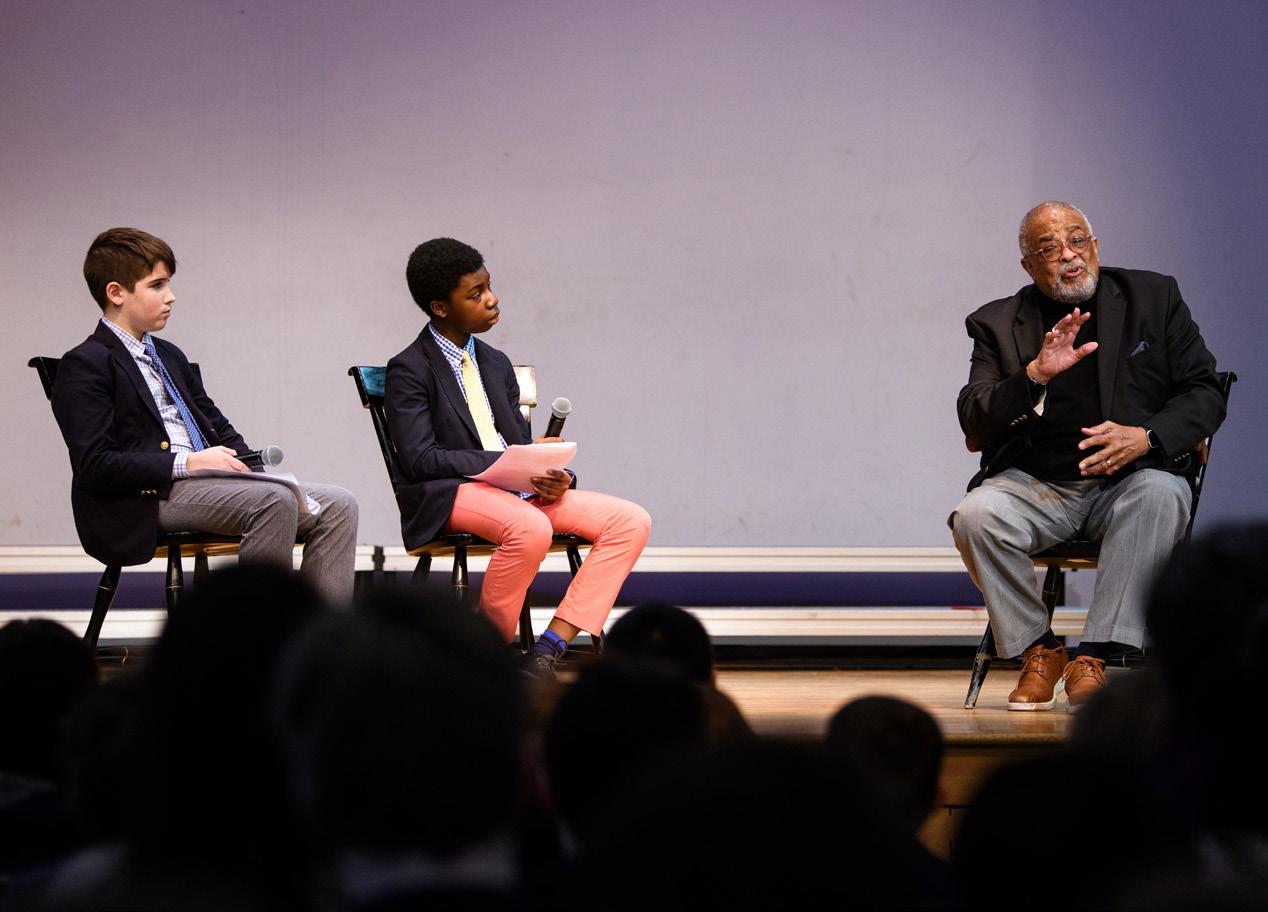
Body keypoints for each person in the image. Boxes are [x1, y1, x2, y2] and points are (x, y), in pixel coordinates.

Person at [949, 201, 1224, 711]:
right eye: (1049, 248)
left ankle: (1094, 654)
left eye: (1077, 240)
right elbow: (974, 418)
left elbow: (1204, 391)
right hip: (1037, 485)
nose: (1069, 255)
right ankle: (1040, 649)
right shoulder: (996, 322)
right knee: (975, 516)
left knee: (1163, 493)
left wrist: (1147, 436)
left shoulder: (1153, 297)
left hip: (1129, 480)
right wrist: (1033, 375)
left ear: (1094, 246)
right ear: (1029, 266)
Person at [385, 238, 651, 678]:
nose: (492, 299)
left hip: (512, 493)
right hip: (450, 493)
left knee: (630, 521)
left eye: (489, 286)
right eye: (475, 294)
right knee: (530, 527)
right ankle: (487, 660)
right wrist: (497, 463)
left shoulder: (495, 363)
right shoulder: (409, 369)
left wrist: (549, 473)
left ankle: (549, 648)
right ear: (440, 307)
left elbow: (518, 446)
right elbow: (419, 459)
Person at [51, 228, 358, 603]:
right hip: (143, 498)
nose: (170, 296)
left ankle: (323, 637)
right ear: (116, 293)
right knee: (273, 502)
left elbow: (216, 424)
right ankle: (260, 636)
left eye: (168, 283)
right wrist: (190, 463)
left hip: (205, 484)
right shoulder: (86, 363)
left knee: (339, 505)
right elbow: (96, 464)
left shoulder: (169, 355)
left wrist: (250, 465)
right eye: (157, 285)